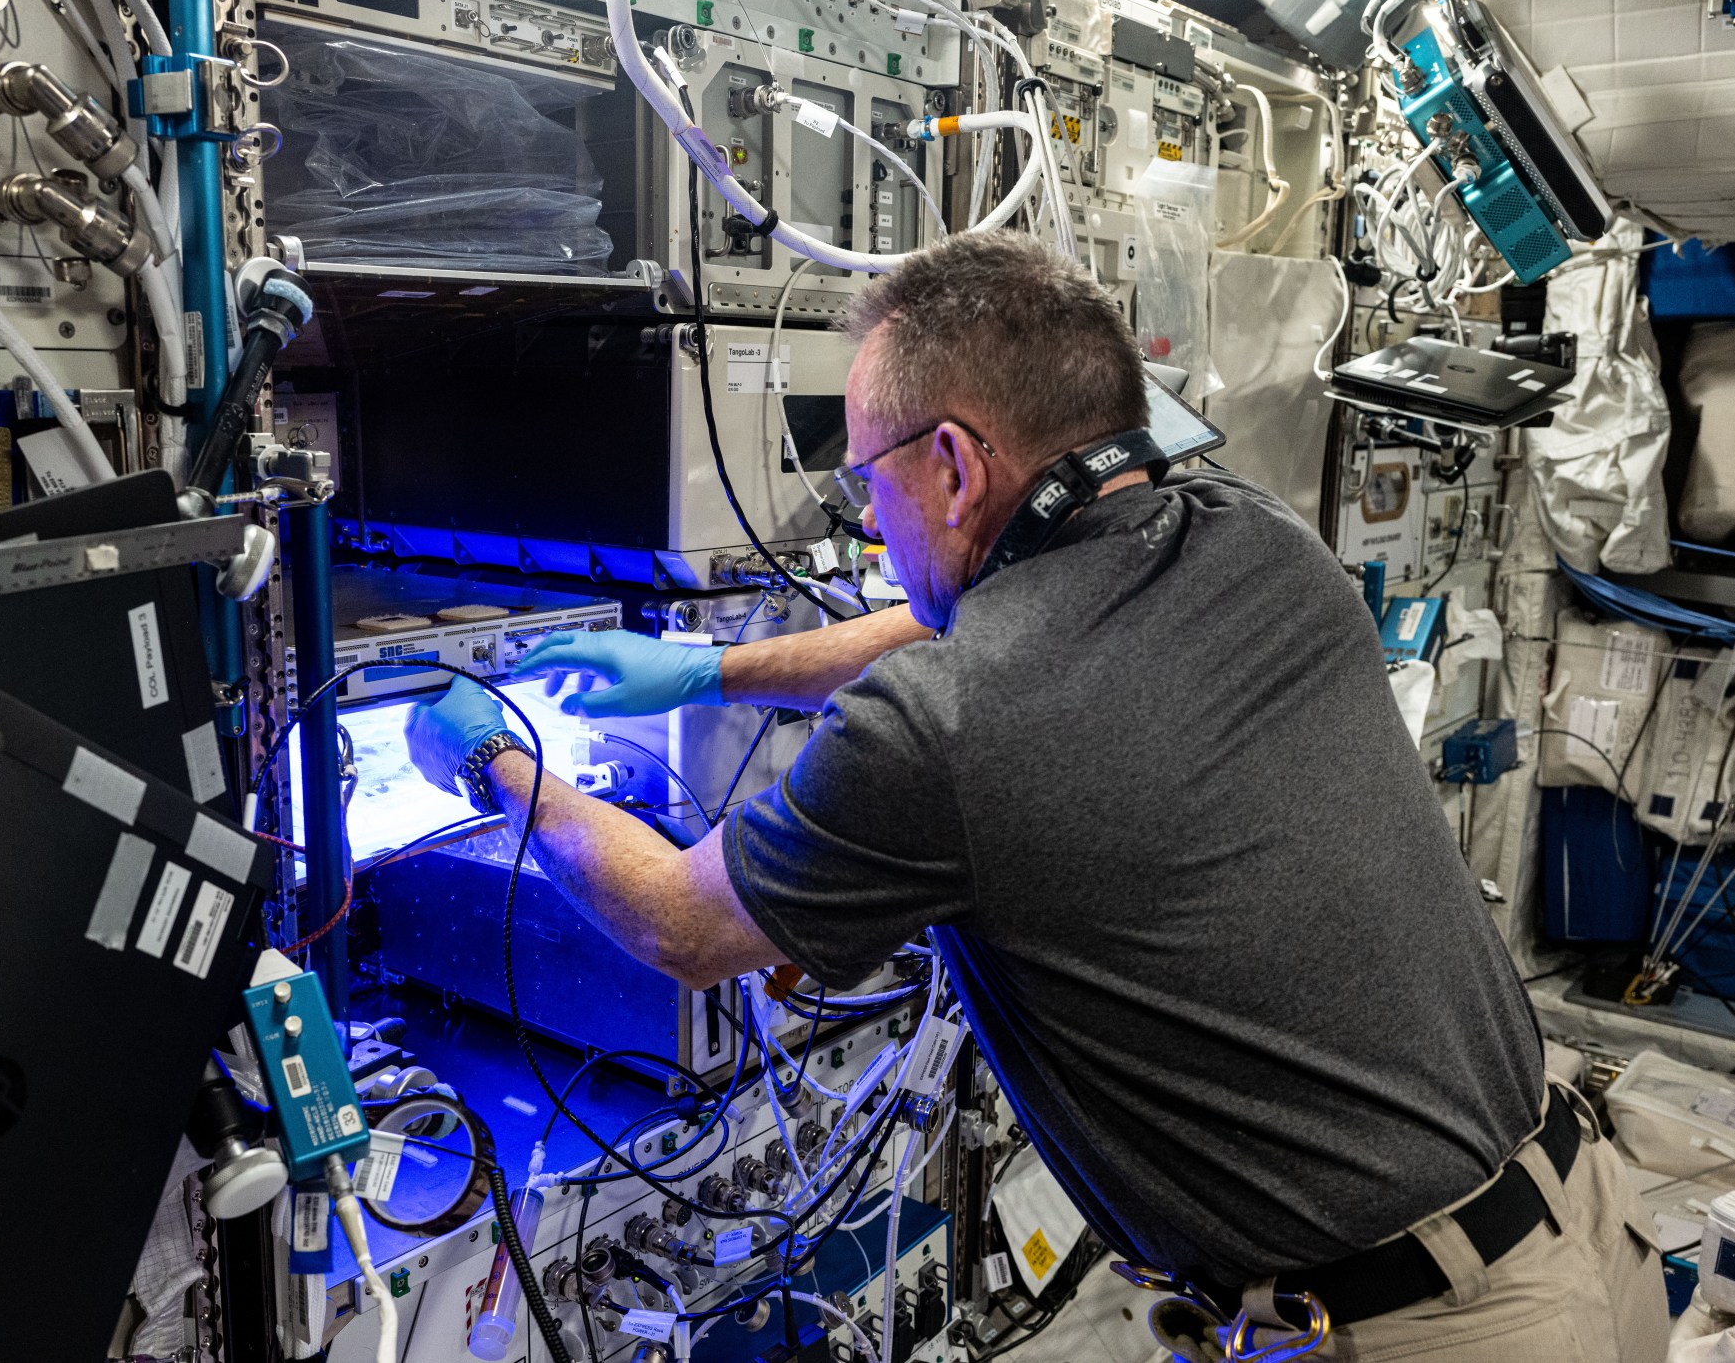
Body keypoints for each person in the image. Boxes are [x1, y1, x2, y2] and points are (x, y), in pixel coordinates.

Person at [404, 232, 1666, 1360]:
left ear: (951, 465)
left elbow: (682, 925)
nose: (868, 520)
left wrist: (492, 764)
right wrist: (713, 667)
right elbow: (988, 633)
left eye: (867, 484)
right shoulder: (1260, 541)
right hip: (1581, 1236)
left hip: (1422, 1334)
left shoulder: (943, 729)